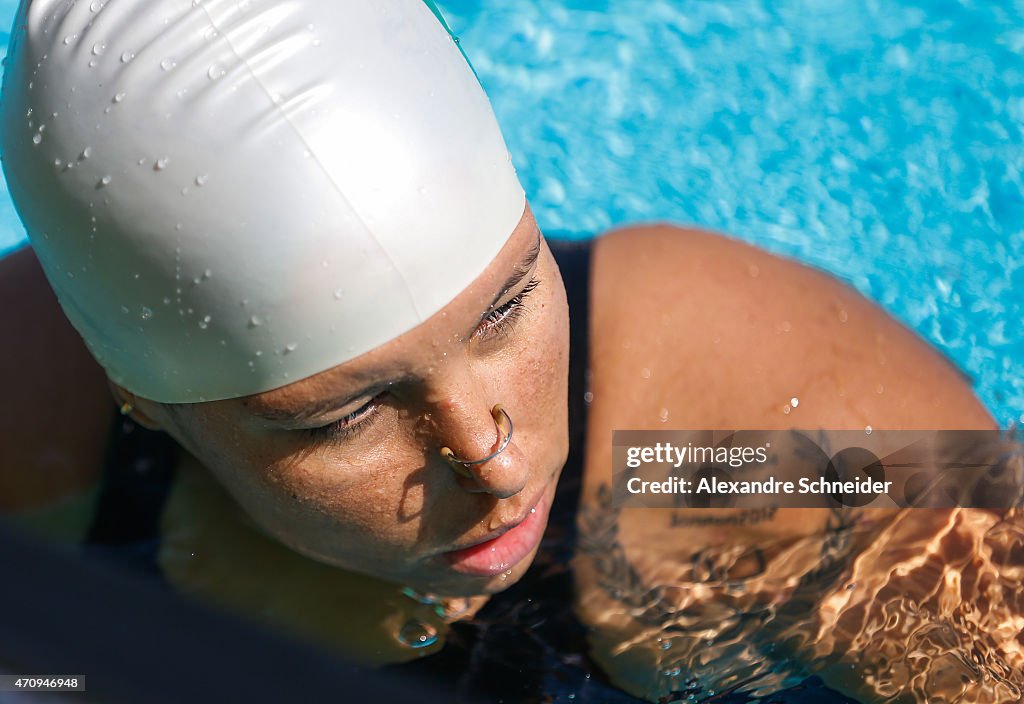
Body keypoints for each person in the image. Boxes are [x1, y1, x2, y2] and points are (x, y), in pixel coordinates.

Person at [0, 0, 1019, 701]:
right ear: (135, 389)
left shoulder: (732, 440)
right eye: (345, 413)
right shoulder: (29, 418)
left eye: (506, 306)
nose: (487, 452)